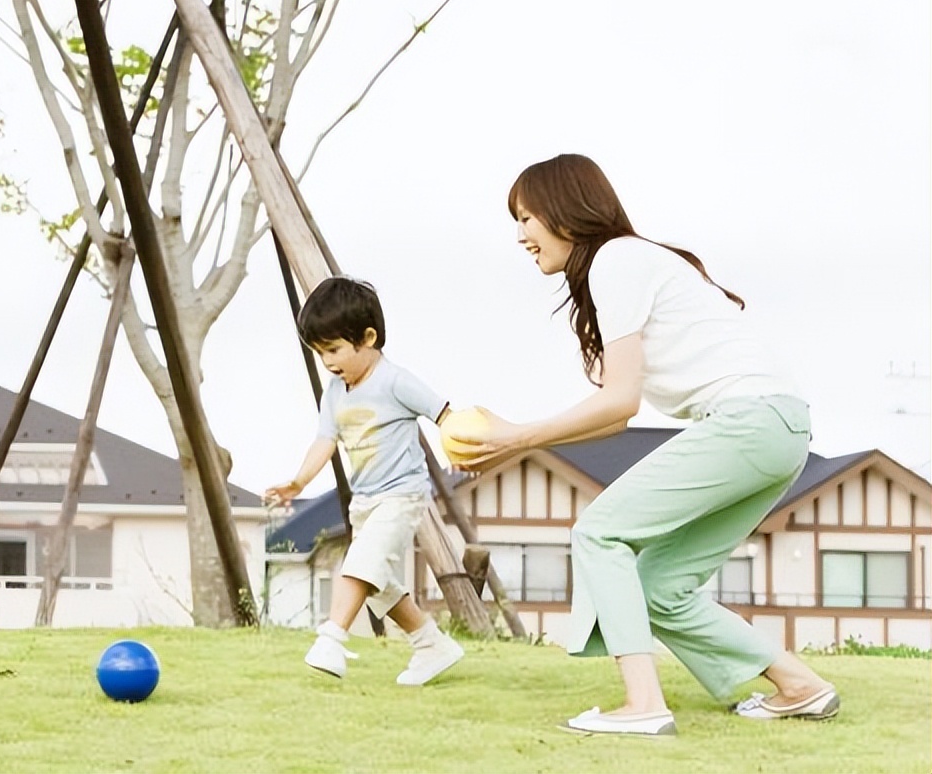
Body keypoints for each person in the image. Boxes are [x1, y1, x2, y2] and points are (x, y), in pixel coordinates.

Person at [444, 153, 837, 736]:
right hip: (778, 428)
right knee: (660, 588)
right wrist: (516, 439)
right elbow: (612, 416)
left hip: (750, 421)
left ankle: (644, 706)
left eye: (526, 217)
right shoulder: (625, 264)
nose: (521, 234)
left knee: (599, 532)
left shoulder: (615, 259)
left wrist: (517, 437)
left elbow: (620, 402)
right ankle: (800, 685)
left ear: (565, 211)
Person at [265, 277, 464, 686]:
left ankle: (332, 638)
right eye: (319, 352)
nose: (327, 361)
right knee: (377, 583)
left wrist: (462, 449)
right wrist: (298, 482)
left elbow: (445, 415)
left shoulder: (395, 381)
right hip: (365, 500)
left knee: (361, 564)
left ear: (368, 338)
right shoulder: (336, 392)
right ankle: (432, 645)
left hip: (402, 495)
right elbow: (325, 440)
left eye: (333, 349)